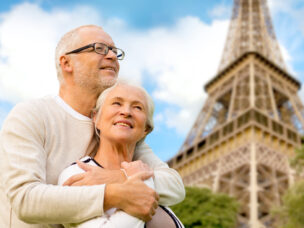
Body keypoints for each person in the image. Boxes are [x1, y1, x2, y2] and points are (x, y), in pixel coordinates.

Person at [0, 25, 185, 227]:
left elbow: (174, 185)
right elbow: (25, 200)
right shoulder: (32, 115)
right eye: (100, 48)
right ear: (67, 62)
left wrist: (118, 177)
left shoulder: (117, 129)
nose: (113, 56)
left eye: (115, 51)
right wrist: (113, 194)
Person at [58, 81, 183, 228]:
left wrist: (126, 177)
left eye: (137, 107)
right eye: (117, 103)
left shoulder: (146, 173)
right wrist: (141, 181)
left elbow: (176, 187)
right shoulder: (78, 173)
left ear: (146, 129)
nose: (126, 112)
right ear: (96, 118)